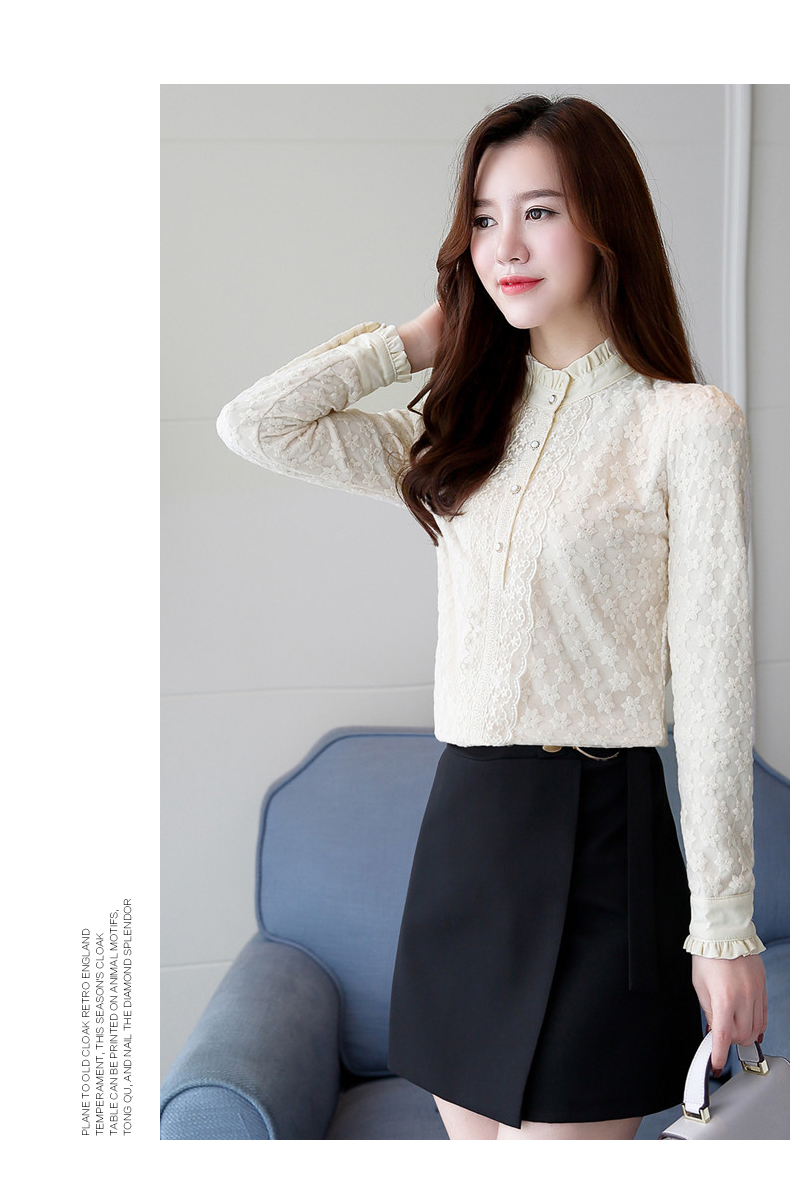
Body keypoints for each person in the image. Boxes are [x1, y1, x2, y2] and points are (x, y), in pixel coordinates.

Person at [215, 94, 767, 1140]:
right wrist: (421, 337)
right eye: (482, 218)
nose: (503, 246)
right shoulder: (461, 426)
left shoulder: (684, 423)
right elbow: (256, 424)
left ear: (606, 224)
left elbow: (714, 684)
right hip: (466, 831)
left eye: (539, 212)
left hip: (602, 838)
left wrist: (724, 927)